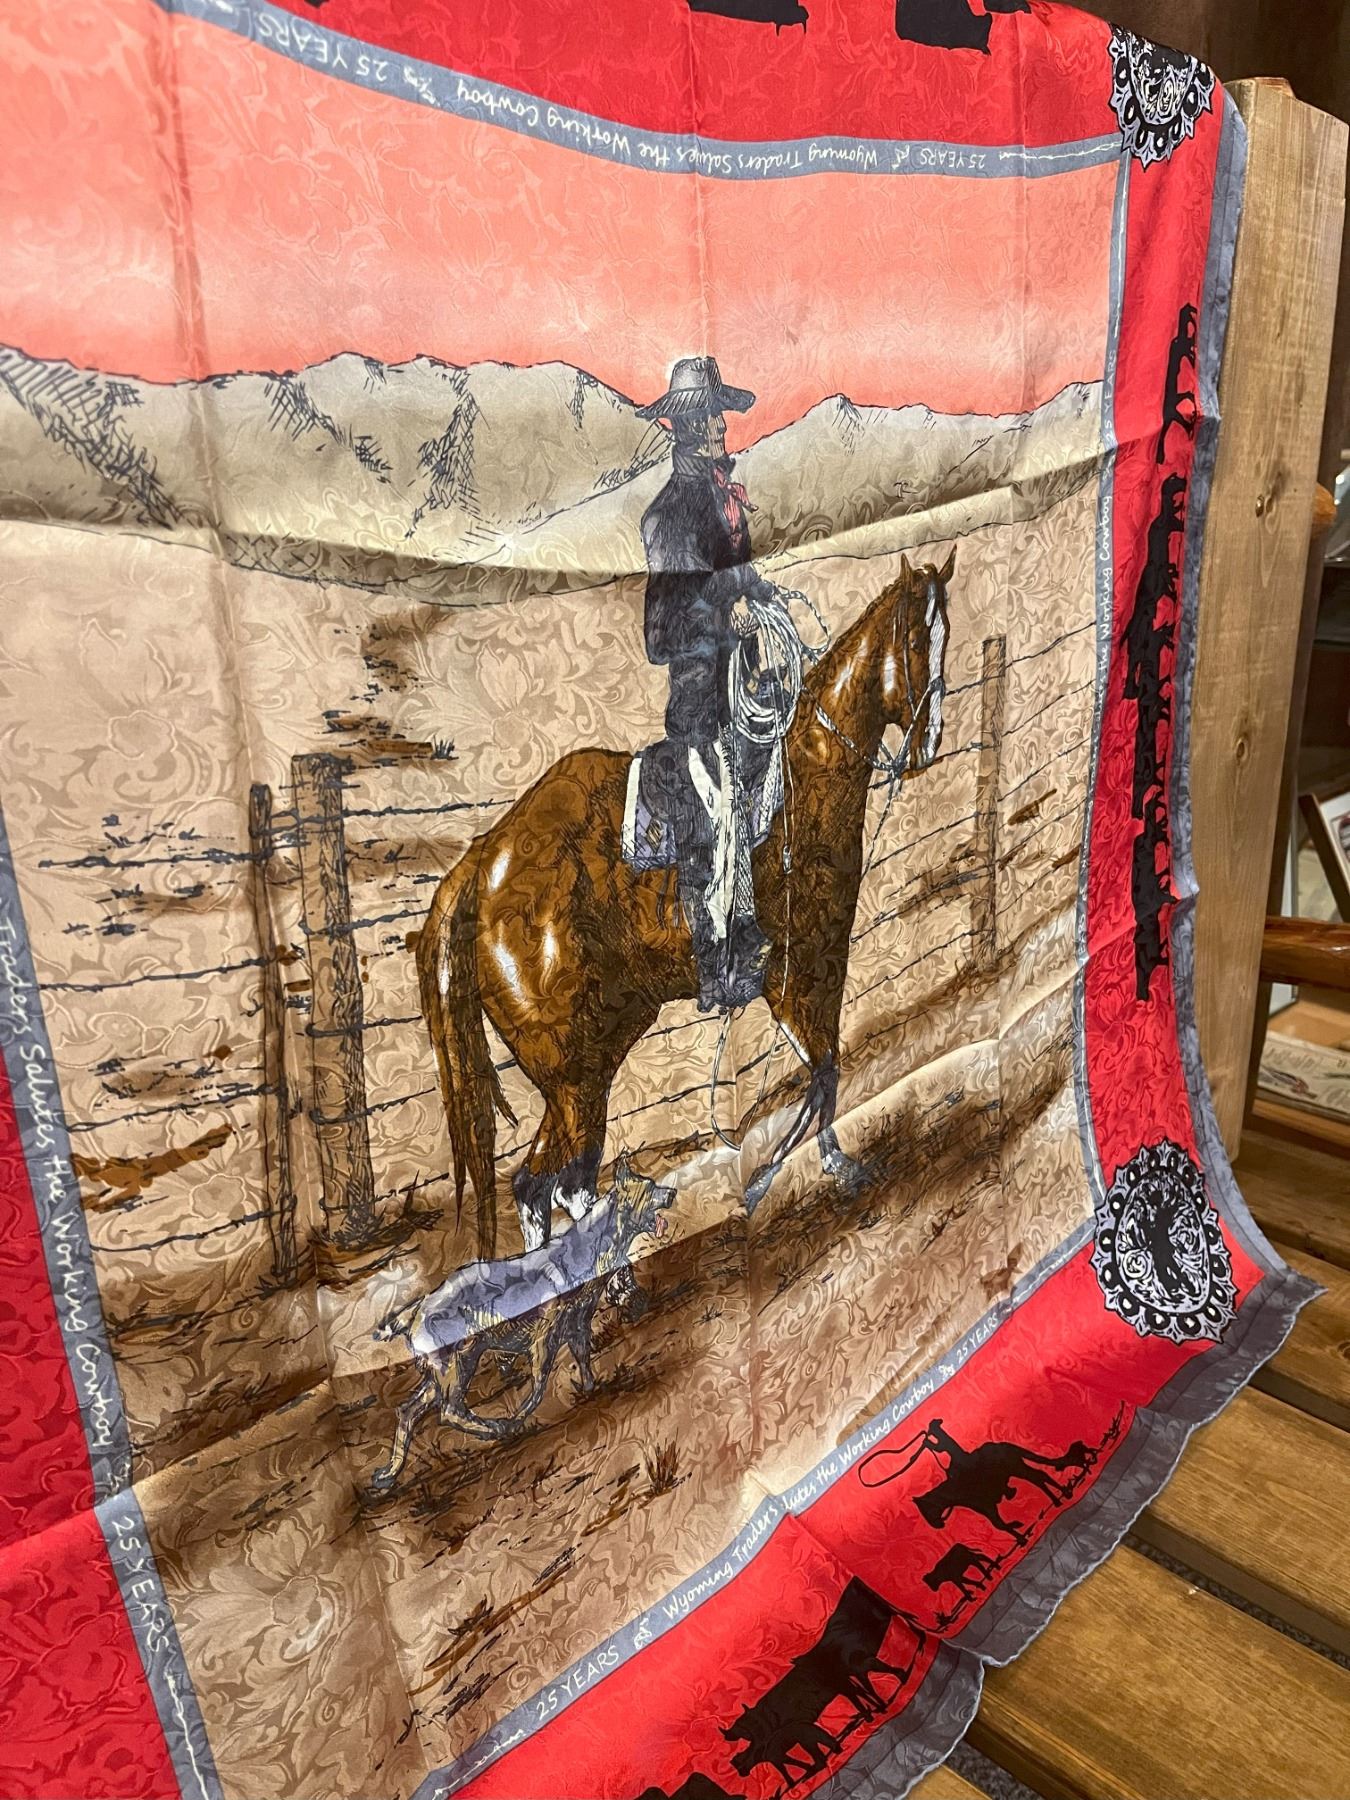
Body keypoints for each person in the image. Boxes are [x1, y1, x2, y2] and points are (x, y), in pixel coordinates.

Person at [637, 355, 778, 1012]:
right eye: (709, 416)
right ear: (686, 427)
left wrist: (761, 594)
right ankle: (716, 965)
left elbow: (731, 574)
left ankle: (755, 928)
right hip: (698, 698)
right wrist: (729, 606)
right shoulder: (669, 515)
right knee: (716, 812)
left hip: (737, 682)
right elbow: (667, 626)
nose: (721, 425)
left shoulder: (719, 498)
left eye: (720, 414)